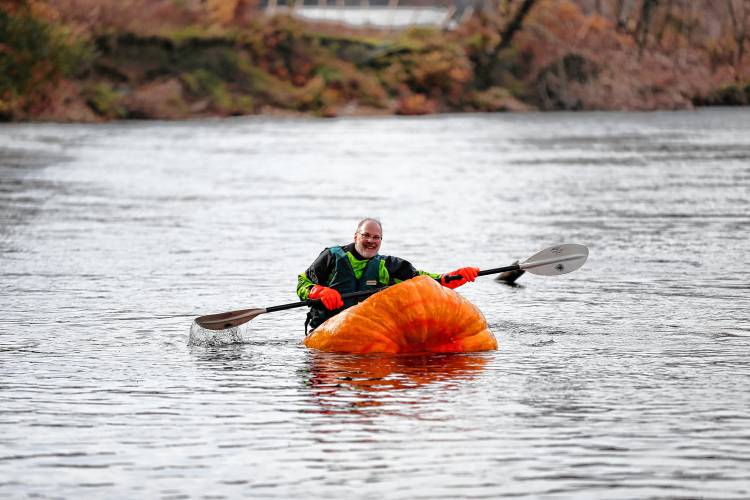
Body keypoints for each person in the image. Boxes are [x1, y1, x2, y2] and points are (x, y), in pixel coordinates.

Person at [297, 218, 479, 333]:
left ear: (381, 241)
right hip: (326, 331)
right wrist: (317, 291)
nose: (370, 241)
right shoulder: (331, 257)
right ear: (355, 236)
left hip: (365, 333)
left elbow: (424, 281)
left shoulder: (388, 265)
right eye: (366, 235)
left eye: (376, 237)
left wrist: (455, 276)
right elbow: (302, 283)